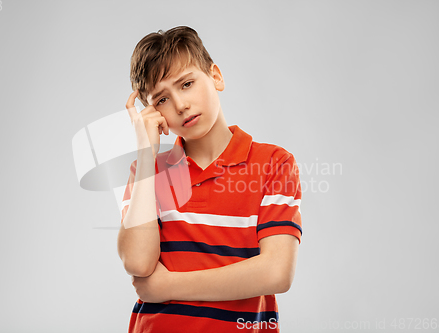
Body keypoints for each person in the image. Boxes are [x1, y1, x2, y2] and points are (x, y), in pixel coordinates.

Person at [117, 26, 302, 333]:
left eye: (187, 84)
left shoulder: (273, 164)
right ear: (153, 114)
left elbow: (276, 272)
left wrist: (168, 286)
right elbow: (137, 262)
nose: (180, 105)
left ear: (215, 76)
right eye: (162, 99)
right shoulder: (147, 173)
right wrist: (146, 155)